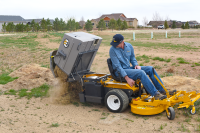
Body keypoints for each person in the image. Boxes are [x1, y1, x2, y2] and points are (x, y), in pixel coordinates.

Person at [109, 34, 174, 100]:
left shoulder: (129, 46)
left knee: (150, 69)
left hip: (128, 69)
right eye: (114, 43)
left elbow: (132, 58)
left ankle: (162, 90)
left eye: (117, 43)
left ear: (122, 42)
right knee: (141, 73)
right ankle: (155, 94)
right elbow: (118, 66)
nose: (115, 45)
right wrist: (127, 78)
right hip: (119, 72)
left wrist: (136, 65)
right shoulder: (112, 50)